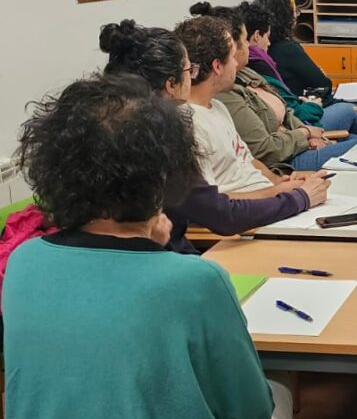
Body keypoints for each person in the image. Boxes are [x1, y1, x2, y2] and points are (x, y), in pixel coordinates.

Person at [2, 74, 285, 419]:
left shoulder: (23, 262)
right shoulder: (197, 280)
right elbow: (250, 411)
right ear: (165, 173)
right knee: (280, 399)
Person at [99, 19, 328, 253]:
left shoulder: (116, 129)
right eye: (190, 70)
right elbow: (219, 213)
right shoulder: (168, 137)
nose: (194, 76)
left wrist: (283, 185)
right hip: (213, 239)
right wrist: (297, 196)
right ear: (171, 85)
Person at [190, 3, 357, 172]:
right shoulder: (225, 95)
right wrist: (305, 134)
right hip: (286, 160)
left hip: (294, 141)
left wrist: (309, 134)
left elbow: (286, 110)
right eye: (244, 40)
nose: (249, 45)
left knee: (355, 136)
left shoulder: (247, 73)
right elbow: (264, 150)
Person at [175, 15, 313, 197]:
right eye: (232, 57)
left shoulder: (217, 107)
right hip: (251, 214)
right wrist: (279, 193)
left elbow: (248, 160)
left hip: (269, 197)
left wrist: (280, 181)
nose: (235, 63)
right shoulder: (188, 123)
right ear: (217, 66)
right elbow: (211, 202)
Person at [255, 0, 357, 129]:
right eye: (295, 12)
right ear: (285, 18)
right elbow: (323, 83)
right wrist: (320, 74)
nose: (297, 16)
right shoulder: (287, 48)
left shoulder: (266, 49)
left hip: (314, 100)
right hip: (316, 104)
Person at [240, 0, 357, 138]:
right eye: (267, 37)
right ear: (257, 36)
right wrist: (312, 108)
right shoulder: (260, 66)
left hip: (300, 123)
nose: (269, 43)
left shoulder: (260, 63)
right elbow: (290, 113)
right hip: (301, 127)